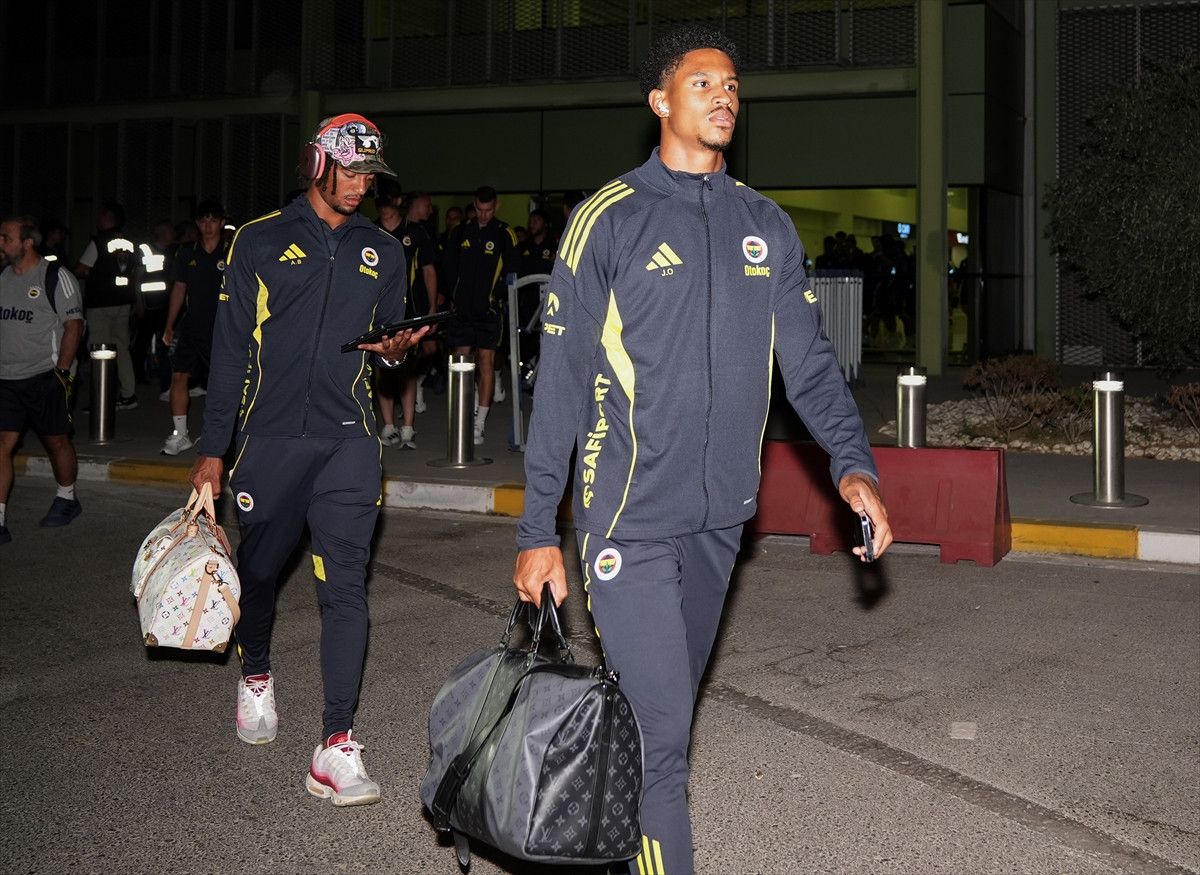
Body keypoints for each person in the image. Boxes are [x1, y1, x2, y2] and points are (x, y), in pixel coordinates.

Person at [511, 27, 893, 875]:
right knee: (662, 745)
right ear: (660, 101)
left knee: (662, 724)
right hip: (627, 518)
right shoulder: (608, 219)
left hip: (721, 523)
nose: (724, 96)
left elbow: (809, 364)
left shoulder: (765, 224)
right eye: (703, 83)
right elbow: (562, 384)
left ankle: (619, 848)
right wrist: (538, 528)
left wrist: (852, 464)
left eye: (732, 85)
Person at [189, 113, 427, 806]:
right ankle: (256, 671)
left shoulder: (384, 250)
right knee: (260, 573)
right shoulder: (259, 240)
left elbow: (385, 344)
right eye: (350, 172)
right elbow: (229, 352)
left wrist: (394, 351)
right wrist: (213, 451)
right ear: (317, 164)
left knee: (345, 587)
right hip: (269, 442)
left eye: (369, 176)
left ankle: (336, 742)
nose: (360, 186)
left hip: (349, 439)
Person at [0, 216, 85, 544]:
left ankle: (67, 497)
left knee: (56, 441)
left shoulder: (55, 276)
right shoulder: (3, 277)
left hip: (45, 376)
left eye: (6, 238)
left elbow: (74, 325)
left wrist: (61, 373)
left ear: (27, 242)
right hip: (7, 379)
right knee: (3, 444)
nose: (1, 243)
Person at [442, 185, 517, 444]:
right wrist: (451, 296)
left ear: (496, 207)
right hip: (462, 311)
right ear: (474, 207)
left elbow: (513, 271)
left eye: (488, 210)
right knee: (461, 364)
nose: (484, 215)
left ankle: (479, 424)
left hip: (489, 312)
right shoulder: (460, 232)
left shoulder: (504, 233)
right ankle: (464, 413)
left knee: (486, 363)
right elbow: (448, 268)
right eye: (480, 210)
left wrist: (496, 297)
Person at [159, 201, 228, 455]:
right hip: (191, 326)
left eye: (213, 220)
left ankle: (224, 437)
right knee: (179, 376)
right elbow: (179, 288)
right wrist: (169, 325)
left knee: (223, 382)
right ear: (197, 224)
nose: (208, 226)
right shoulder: (187, 252)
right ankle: (180, 435)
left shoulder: (232, 251)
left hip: (222, 328)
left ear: (222, 222)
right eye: (203, 221)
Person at [74, 201, 141, 410]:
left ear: (106, 217)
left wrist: (90, 274)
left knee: (99, 350)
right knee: (121, 347)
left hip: (100, 303)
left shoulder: (99, 241)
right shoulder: (130, 242)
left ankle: (100, 400)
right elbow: (136, 272)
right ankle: (128, 394)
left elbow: (80, 269)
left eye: (100, 215)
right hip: (123, 301)